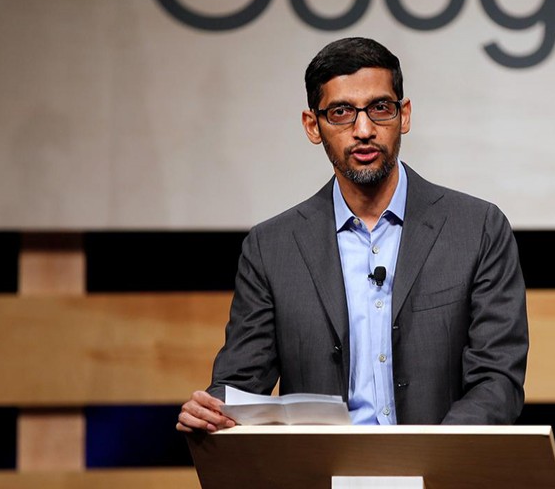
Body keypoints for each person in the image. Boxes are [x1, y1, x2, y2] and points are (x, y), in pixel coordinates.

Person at [177, 37, 528, 431]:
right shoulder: (272, 248)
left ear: (404, 115)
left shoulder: (476, 229)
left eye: (380, 108)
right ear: (313, 126)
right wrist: (213, 410)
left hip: (439, 475)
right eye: (341, 112)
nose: (364, 130)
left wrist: (430, 459)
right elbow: (241, 384)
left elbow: (497, 380)